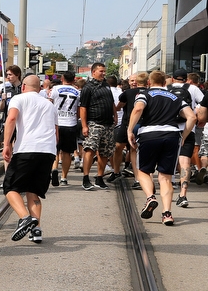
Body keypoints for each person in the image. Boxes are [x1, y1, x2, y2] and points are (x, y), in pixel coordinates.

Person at [127, 70, 197, 226]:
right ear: (165, 83)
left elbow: (138, 109)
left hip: (149, 135)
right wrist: (183, 136)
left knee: (144, 171)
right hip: (172, 135)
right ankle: (167, 214)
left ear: (149, 82)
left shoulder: (144, 94)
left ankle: (151, 197)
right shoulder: (176, 97)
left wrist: (130, 130)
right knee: (165, 177)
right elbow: (192, 117)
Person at [2, 74, 58, 244]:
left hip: (26, 149)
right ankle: (36, 230)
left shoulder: (18, 98)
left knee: (10, 187)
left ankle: (25, 217)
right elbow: (56, 133)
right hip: (47, 151)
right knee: (33, 191)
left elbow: (11, 118)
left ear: (23, 86)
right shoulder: (49, 105)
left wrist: (6, 144)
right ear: (40, 88)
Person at [168, 69, 204, 208]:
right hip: (188, 130)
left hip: (169, 129)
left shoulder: (166, 88)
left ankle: (167, 188)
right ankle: (183, 195)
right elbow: (202, 104)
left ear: (172, 78)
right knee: (185, 163)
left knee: (168, 160)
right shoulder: (193, 88)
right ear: (186, 79)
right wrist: (196, 115)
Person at [79, 62, 116, 190]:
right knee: (90, 149)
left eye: (104, 71)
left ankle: (100, 178)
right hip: (94, 123)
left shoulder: (106, 85)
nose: (103, 73)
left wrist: (115, 115)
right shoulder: (88, 87)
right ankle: (86, 178)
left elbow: (111, 102)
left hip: (108, 124)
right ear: (93, 72)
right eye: (101, 71)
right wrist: (84, 126)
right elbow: (83, 107)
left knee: (105, 152)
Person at [52, 71, 83, 186]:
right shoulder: (77, 92)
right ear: (73, 79)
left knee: (55, 149)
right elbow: (79, 110)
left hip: (56, 123)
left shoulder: (55, 89)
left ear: (62, 79)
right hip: (70, 123)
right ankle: (64, 177)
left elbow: (50, 104)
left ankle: (54, 168)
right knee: (67, 152)